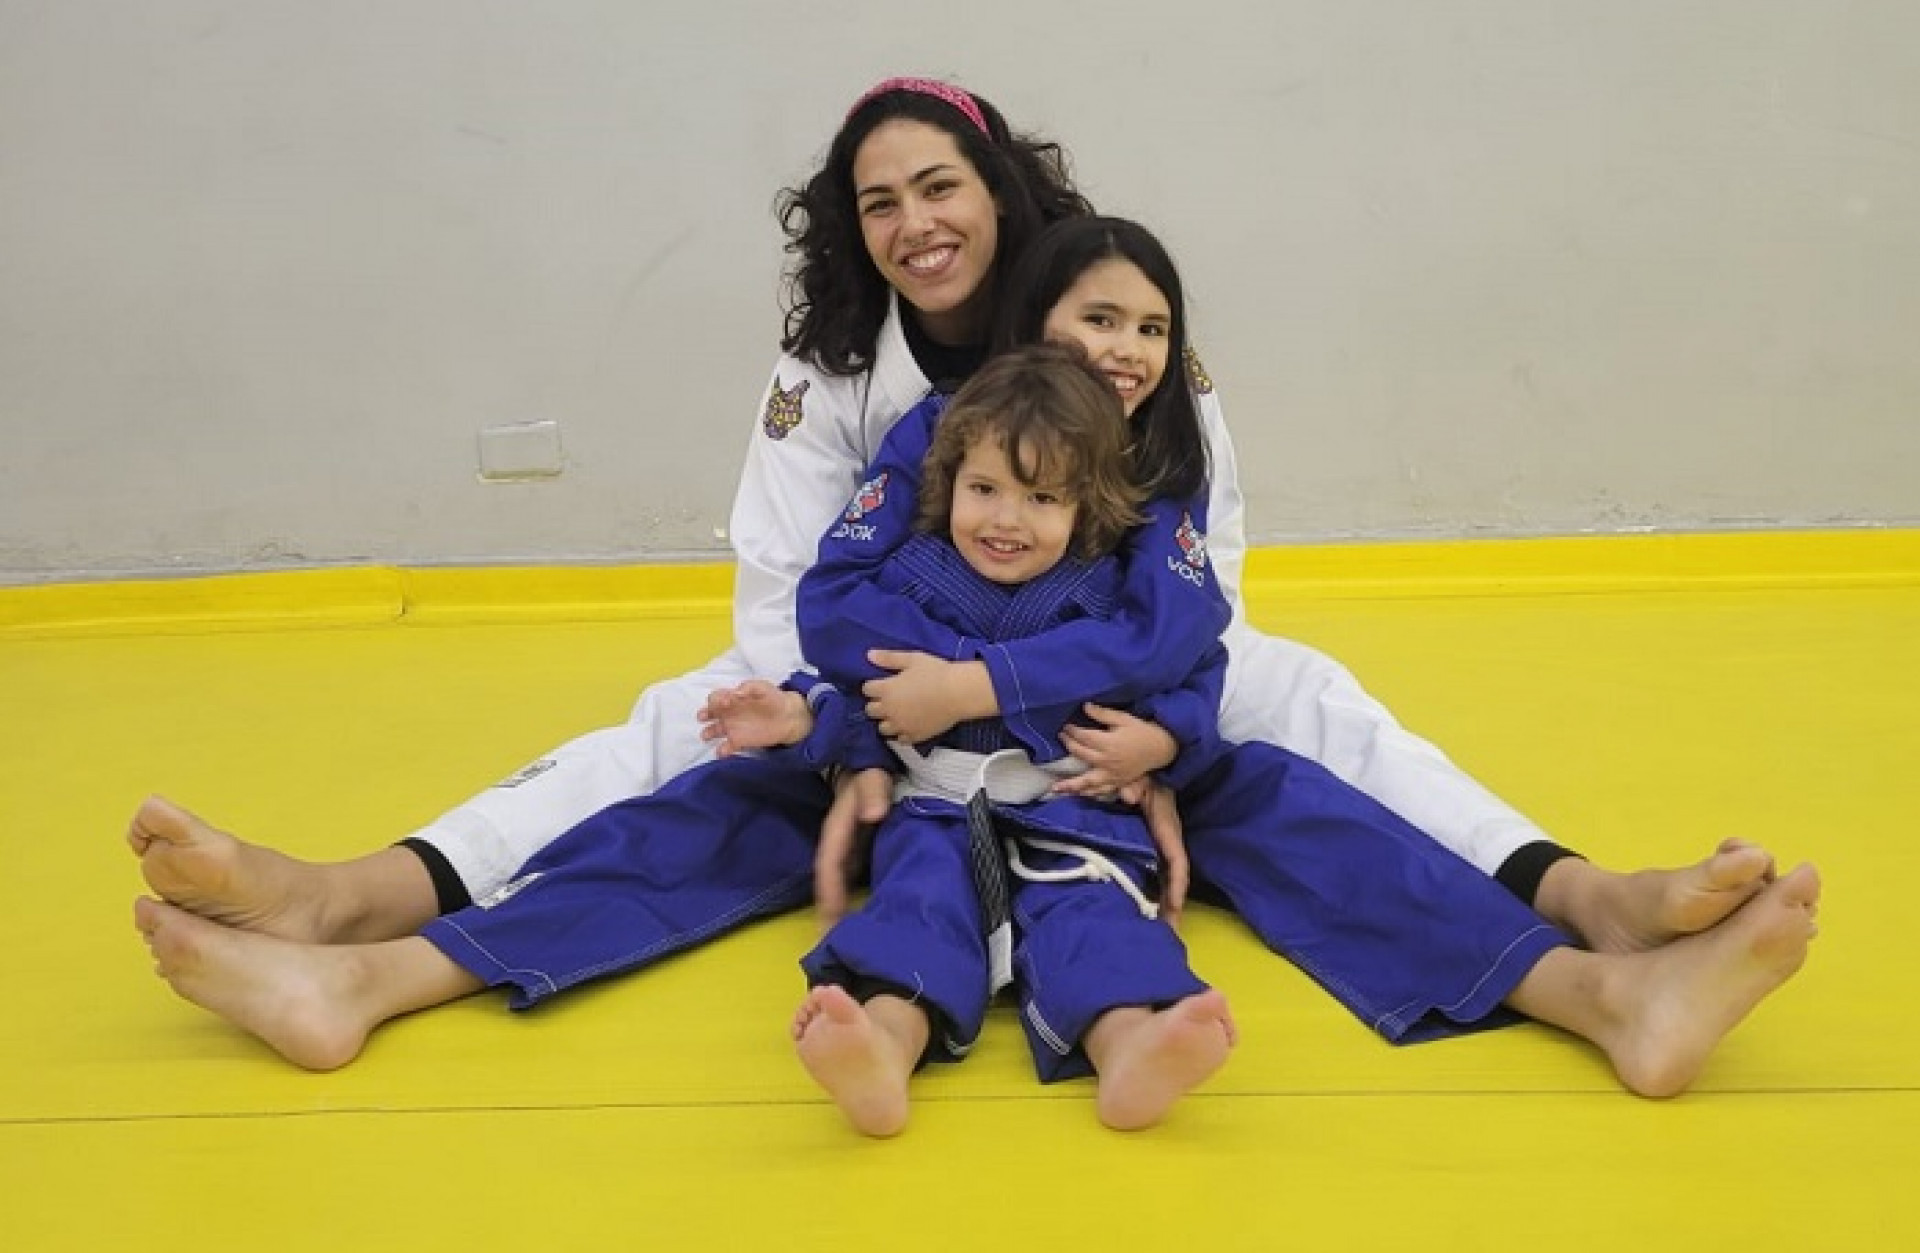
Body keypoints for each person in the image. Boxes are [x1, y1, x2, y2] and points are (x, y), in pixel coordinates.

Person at [129, 76, 1796, 1018]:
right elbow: (785, 597)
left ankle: (1595, 905)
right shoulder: (838, 368)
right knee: (687, 723)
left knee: (1317, 709)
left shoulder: (1116, 335)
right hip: (881, 686)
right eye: (877, 202)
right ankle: (350, 899)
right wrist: (885, 716)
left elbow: (1205, 590)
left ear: (1002, 192)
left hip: (1101, 695)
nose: (914, 221)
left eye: (941, 184)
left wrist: (1152, 734)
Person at [706, 342, 1238, 1134]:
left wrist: (1165, 740)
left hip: (1071, 804)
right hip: (935, 804)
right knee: (919, 909)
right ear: (946, 482)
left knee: (1092, 919)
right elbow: (864, 694)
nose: (1003, 520)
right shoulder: (911, 575)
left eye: (1041, 498)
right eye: (982, 488)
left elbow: (1190, 673)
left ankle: (1131, 1050)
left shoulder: (1110, 601)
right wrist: (802, 713)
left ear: (1087, 511)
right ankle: (881, 1050)